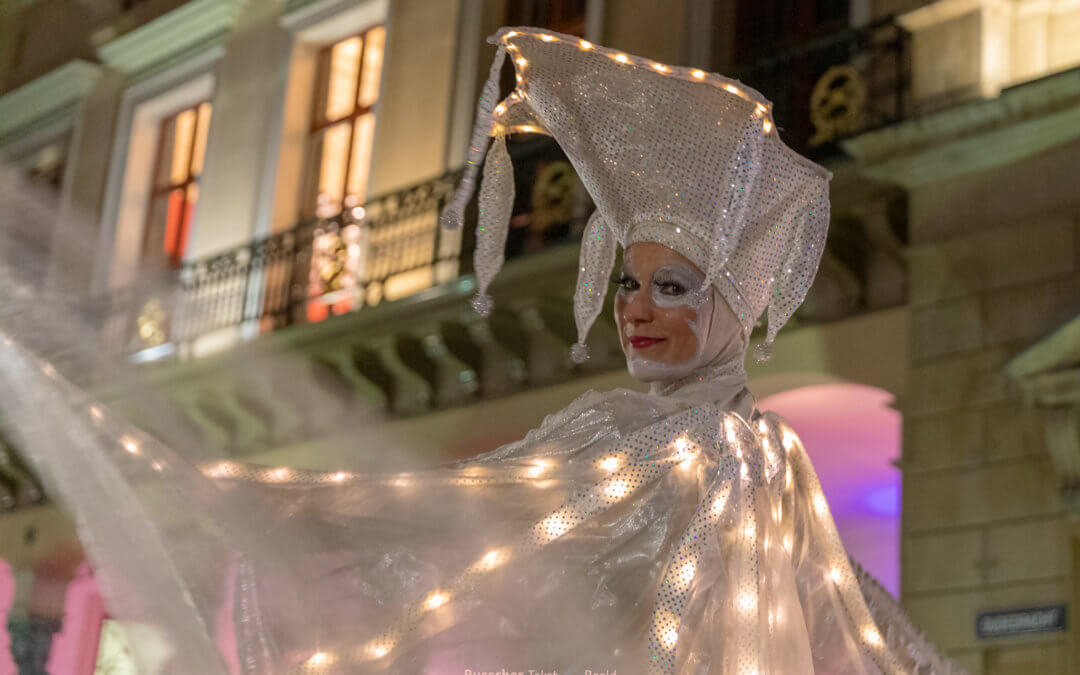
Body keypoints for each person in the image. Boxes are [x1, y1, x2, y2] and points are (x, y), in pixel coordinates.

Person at [0, 27, 966, 674]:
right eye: (628, 283)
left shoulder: (700, 447)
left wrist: (283, 503)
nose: (635, 310)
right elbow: (864, 620)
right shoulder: (746, 445)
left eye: (671, 287)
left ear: (732, 306)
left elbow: (491, 507)